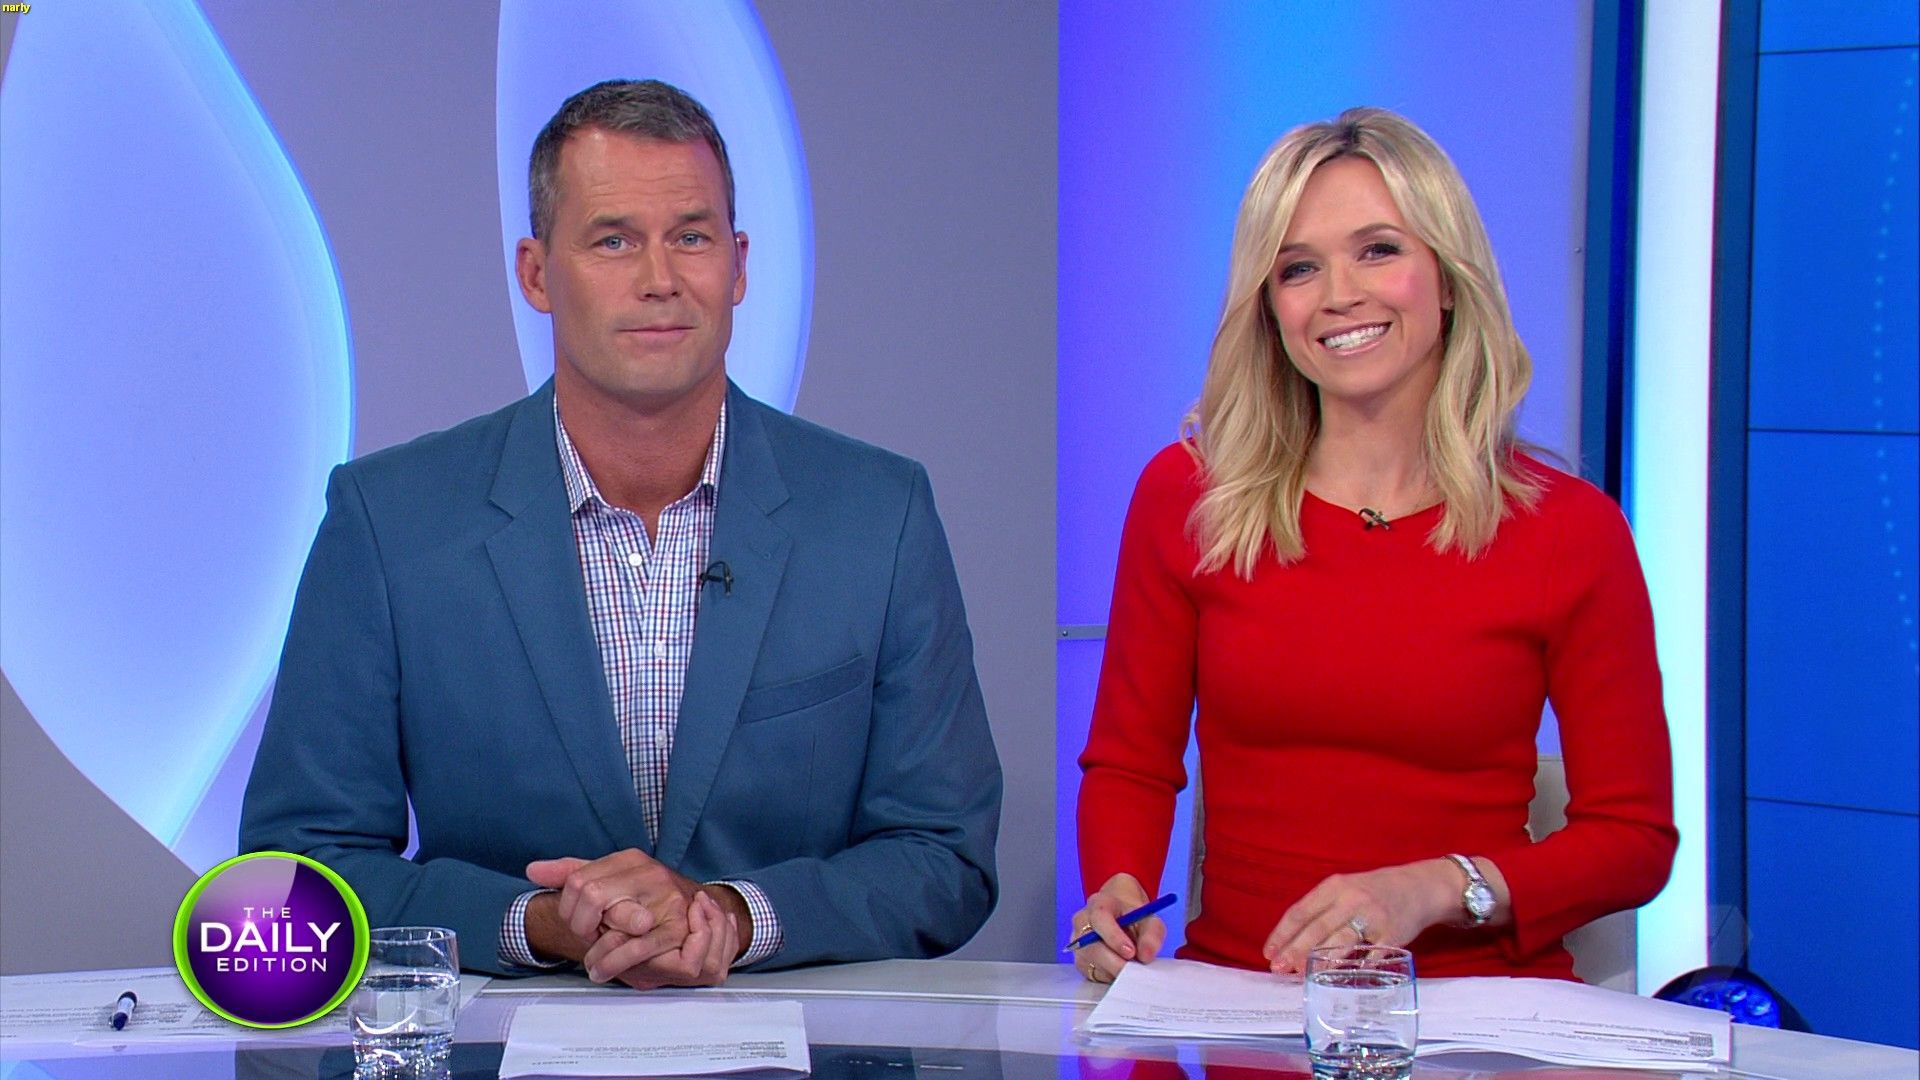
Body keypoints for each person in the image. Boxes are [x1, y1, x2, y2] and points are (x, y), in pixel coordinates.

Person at [241, 79, 1002, 987]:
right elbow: (300, 870)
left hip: (797, 1039)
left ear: (739, 265)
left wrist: (731, 917)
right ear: (535, 274)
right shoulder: (391, 521)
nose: (659, 279)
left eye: (692, 237)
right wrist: (542, 924)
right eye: (613, 240)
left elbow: (944, 855)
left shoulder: (878, 514)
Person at [1070, 107, 1676, 983]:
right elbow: (1131, 761)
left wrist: (1441, 886)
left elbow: (1634, 838)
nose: (1339, 294)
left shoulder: (1569, 529)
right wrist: (1114, 890)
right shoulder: (1189, 498)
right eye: (1298, 268)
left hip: (1479, 1008)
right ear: (1269, 307)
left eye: (1378, 250)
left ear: (1449, 277)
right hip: (1247, 998)